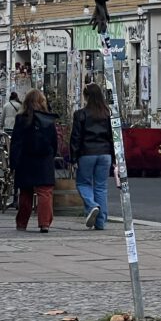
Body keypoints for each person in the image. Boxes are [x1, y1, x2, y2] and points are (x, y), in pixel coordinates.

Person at [9, 89, 59, 232]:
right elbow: (54, 141)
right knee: (45, 192)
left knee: (25, 192)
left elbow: (16, 142)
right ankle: (44, 223)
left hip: (25, 160)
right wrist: (51, 155)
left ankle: (22, 223)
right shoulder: (48, 119)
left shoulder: (21, 119)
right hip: (44, 160)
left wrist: (13, 163)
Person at [70, 82, 114, 230]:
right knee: (101, 187)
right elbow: (112, 137)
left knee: (83, 183)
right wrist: (114, 158)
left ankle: (92, 205)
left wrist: (73, 157)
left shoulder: (80, 114)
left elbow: (76, 137)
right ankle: (101, 222)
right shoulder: (107, 114)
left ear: (86, 96)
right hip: (105, 153)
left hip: (87, 153)